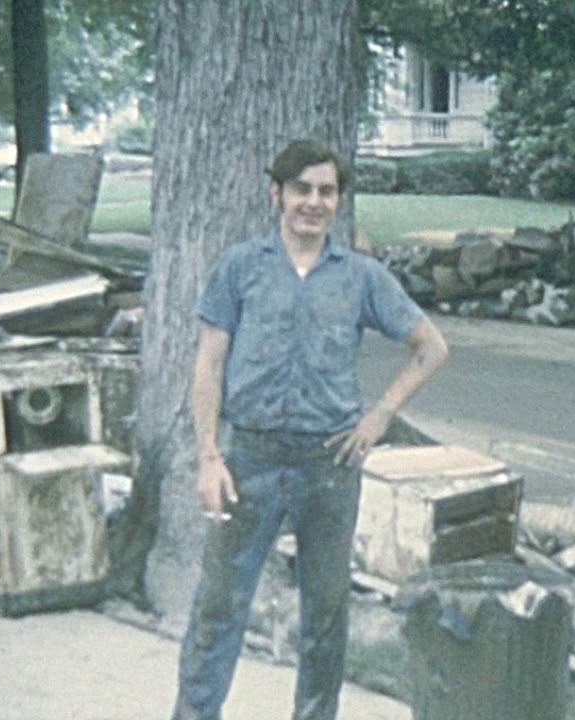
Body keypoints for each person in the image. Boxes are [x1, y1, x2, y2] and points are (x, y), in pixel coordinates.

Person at [170, 138, 450, 720]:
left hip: (330, 464)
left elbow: (430, 347)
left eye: (326, 192)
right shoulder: (241, 267)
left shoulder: (361, 277)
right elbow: (209, 363)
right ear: (277, 193)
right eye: (302, 189)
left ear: (338, 202)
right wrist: (208, 457)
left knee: (325, 613)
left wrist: (380, 415)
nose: (313, 203)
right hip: (249, 460)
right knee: (220, 604)